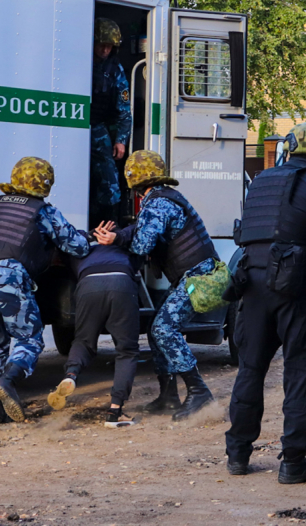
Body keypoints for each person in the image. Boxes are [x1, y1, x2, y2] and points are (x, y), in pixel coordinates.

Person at [223, 123, 306, 483]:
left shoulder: (263, 180)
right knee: (300, 371)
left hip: (249, 282)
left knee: (250, 368)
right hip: (293, 288)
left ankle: (237, 453)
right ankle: (293, 461)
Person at [94, 150, 218, 422]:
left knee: (163, 328)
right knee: (155, 330)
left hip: (198, 278)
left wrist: (114, 240)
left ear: (135, 182)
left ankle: (199, 391)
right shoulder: (161, 198)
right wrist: (119, 234)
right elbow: (141, 230)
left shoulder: (158, 204)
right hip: (193, 276)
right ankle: (169, 395)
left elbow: (141, 244)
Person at [0, 157, 90, 423]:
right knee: (30, 338)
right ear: (45, 184)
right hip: (9, 276)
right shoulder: (42, 210)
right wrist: (90, 237)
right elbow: (77, 246)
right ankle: (9, 381)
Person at [47, 242, 142, 427]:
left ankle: (71, 375)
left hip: (88, 283)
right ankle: (115, 412)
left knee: (83, 340)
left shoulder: (79, 244)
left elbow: (64, 259)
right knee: (127, 350)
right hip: (121, 281)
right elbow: (138, 259)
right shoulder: (124, 243)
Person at [89, 18, 132, 225]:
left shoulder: (115, 69)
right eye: (101, 44)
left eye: (110, 46)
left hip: (97, 127)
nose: (106, 50)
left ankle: (107, 230)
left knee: (110, 182)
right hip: (73, 126)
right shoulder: (79, 61)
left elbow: (124, 110)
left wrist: (121, 140)